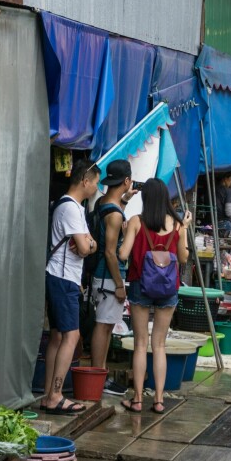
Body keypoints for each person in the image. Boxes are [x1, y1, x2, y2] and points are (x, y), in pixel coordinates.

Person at [118, 179, 192, 414]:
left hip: (141, 286)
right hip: (168, 289)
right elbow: (183, 259)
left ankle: (137, 400)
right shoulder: (179, 225)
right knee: (159, 345)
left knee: (141, 344)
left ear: (145, 198)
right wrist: (185, 232)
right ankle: (159, 400)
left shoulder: (136, 222)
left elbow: (122, 255)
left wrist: (124, 233)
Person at [42, 160, 99, 415]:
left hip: (58, 275)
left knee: (56, 336)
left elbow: (90, 243)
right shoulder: (71, 208)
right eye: (96, 181)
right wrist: (87, 244)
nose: (97, 187)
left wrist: (88, 244)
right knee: (72, 336)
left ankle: (48, 395)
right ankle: (55, 395)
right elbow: (87, 247)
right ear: (85, 181)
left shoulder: (72, 206)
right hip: (64, 277)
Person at [88, 160, 135, 397]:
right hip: (108, 278)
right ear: (126, 181)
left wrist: (125, 200)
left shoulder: (102, 203)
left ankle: (101, 374)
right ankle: (97, 375)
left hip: (101, 274)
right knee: (104, 326)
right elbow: (109, 251)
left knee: (106, 326)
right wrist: (119, 285)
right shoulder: (115, 215)